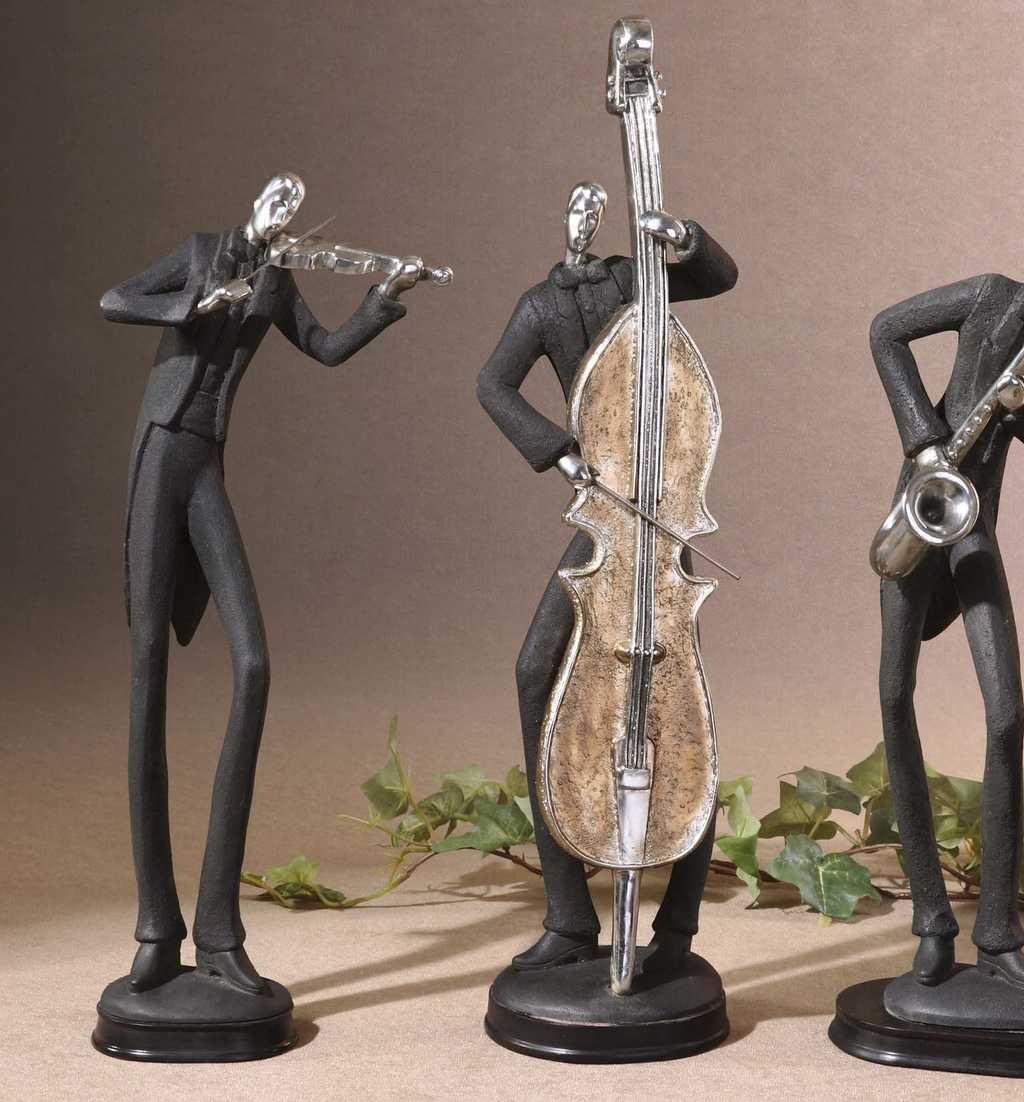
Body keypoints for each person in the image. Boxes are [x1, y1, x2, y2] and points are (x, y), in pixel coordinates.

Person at [102, 172, 432, 994]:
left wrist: (384, 297)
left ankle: (218, 932)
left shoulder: (277, 280)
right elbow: (116, 300)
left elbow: (325, 348)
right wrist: (195, 304)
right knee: (148, 676)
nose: (284, 212)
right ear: (257, 201)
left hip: (204, 462)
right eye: (277, 198)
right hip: (159, 452)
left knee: (252, 664)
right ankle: (155, 930)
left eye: (294, 205)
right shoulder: (200, 252)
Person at [476, 181, 737, 971]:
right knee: (535, 672)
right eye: (578, 208)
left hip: (661, 516)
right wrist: (558, 451)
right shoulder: (539, 306)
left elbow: (717, 278)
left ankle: (679, 930)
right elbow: (492, 385)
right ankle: (568, 918)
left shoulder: (634, 279)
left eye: (598, 208)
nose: (589, 219)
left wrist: (684, 238)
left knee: (680, 713)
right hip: (605, 515)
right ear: (563, 219)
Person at [870, 230, 1024, 989]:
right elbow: (886, 331)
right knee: (894, 695)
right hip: (924, 497)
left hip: (974, 521)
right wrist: (924, 439)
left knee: (1005, 716)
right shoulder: (988, 294)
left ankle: (999, 935)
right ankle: (931, 925)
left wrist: (1023, 407)